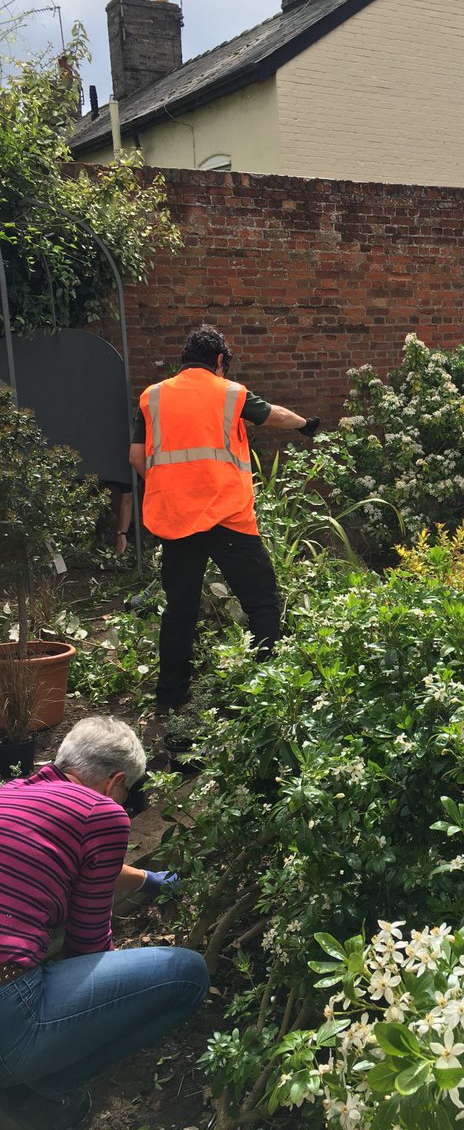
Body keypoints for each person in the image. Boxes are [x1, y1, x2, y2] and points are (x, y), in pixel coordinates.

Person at [0, 717, 208, 1130]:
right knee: (187, 974)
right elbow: (87, 943)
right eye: (127, 793)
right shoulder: (102, 812)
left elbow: (80, 861)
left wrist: (148, 880)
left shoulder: (11, 796)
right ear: (115, 782)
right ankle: (32, 1097)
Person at [129, 326, 320, 712]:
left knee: (179, 611)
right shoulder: (230, 391)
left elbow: (136, 457)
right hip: (227, 519)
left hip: (178, 521)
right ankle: (270, 692)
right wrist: (305, 425)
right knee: (262, 602)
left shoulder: (152, 397)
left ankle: (169, 700)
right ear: (219, 360)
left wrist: (173, 485)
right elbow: (276, 416)